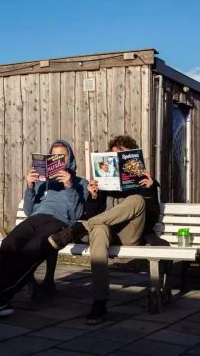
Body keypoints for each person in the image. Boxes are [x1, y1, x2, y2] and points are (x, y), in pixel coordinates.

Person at [47, 135, 162, 325]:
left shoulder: (145, 182)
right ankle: (99, 302)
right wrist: (93, 196)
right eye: (114, 155)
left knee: (136, 200)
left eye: (122, 155)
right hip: (106, 232)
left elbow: (150, 219)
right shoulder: (104, 183)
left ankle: (77, 228)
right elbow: (93, 216)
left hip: (130, 234)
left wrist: (149, 191)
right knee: (98, 229)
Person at [0, 139, 88, 317]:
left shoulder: (80, 183)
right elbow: (28, 211)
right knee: (9, 243)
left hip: (58, 221)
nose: (59, 161)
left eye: (63, 157)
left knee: (32, 248)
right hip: (36, 218)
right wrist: (30, 186)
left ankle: (1, 296)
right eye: (54, 156)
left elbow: (75, 215)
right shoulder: (44, 182)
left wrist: (69, 186)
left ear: (70, 159)